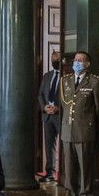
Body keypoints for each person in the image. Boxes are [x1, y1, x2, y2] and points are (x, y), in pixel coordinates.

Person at [56, 51, 99, 196]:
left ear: (87, 64)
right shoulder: (65, 81)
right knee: (68, 166)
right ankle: (70, 194)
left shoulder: (94, 82)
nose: (77, 63)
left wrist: (87, 122)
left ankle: (86, 195)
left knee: (85, 165)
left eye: (81, 60)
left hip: (84, 130)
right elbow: (64, 105)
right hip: (67, 129)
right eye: (76, 60)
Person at [37, 51, 62, 182]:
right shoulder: (47, 76)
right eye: (53, 60)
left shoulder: (67, 76)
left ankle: (63, 173)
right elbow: (40, 94)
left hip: (60, 116)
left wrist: (58, 107)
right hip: (47, 116)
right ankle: (50, 173)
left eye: (57, 59)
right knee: (49, 145)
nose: (54, 62)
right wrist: (44, 107)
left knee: (63, 145)